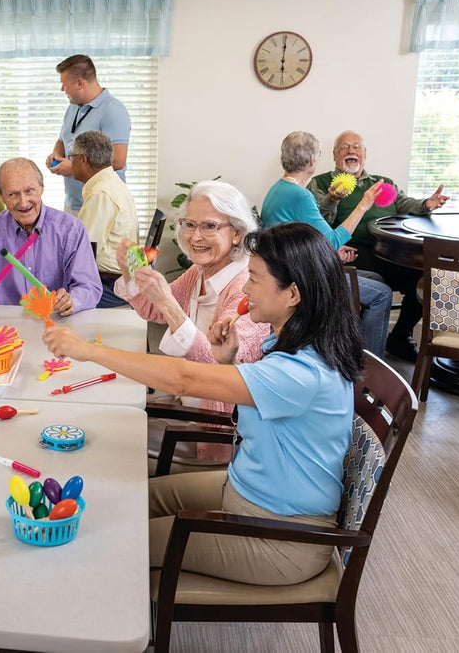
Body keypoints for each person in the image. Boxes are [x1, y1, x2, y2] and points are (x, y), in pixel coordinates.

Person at [45, 222, 363, 586]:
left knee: (117, 540)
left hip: (281, 539)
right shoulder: (296, 345)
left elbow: (185, 378)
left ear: (293, 294)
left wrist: (88, 350)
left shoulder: (301, 371)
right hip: (245, 493)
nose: (245, 288)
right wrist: (229, 362)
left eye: (255, 279)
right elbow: (266, 408)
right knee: (130, 497)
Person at [115, 180, 269, 465]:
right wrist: (130, 271)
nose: (195, 237)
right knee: (113, 417)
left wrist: (167, 303)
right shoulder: (200, 271)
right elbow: (154, 309)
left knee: (116, 447)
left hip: (215, 429)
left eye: (209, 226)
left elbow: (221, 367)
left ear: (237, 233)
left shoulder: (247, 285)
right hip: (184, 402)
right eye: (189, 224)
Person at [308, 130, 450, 361]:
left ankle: (399, 338)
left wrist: (426, 203)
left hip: (389, 254)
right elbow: (315, 224)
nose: (351, 151)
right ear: (335, 155)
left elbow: (404, 203)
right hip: (349, 253)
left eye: (356, 146)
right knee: (376, 285)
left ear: (364, 154)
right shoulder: (321, 183)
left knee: (422, 281)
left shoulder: (382, 183)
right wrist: (332, 199)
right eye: (344, 147)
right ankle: (360, 352)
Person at [261, 131, 393, 358]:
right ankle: (370, 369)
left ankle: (347, 348)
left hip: (292, 268)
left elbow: (306, 237)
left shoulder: (279, 189)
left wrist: (331, 250)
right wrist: (363, 205)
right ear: (312, 160)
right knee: (382, 294)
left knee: (376, 279)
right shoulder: (298, 195)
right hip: (303, 277)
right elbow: (331, 241)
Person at [0, 157, 102, 315]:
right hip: (4, 329)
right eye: (13, 194)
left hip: (57, 324)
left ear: (41, 188)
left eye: (29, 191)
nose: (23, 203)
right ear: (1, 197)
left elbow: (89, 287)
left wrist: (72, 300)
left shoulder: (71, 230)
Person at [45, 54, 131, 214]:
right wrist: (56, 157)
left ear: (79, 83)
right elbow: (62, 141)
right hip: (74, 202)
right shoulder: (73, 108)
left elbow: (118, 160)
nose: (62, 89)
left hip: (101, 204)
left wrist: (72, 168)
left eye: (64, 84)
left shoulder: (113, 110)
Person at [70, 130, 140, 308]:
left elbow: (85, 249)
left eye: (72, 157)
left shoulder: (100, 193)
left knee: (49, 287)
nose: (70, 162)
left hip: (112, 284)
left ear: (83, 160)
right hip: (123, 275)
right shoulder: (112, 182)